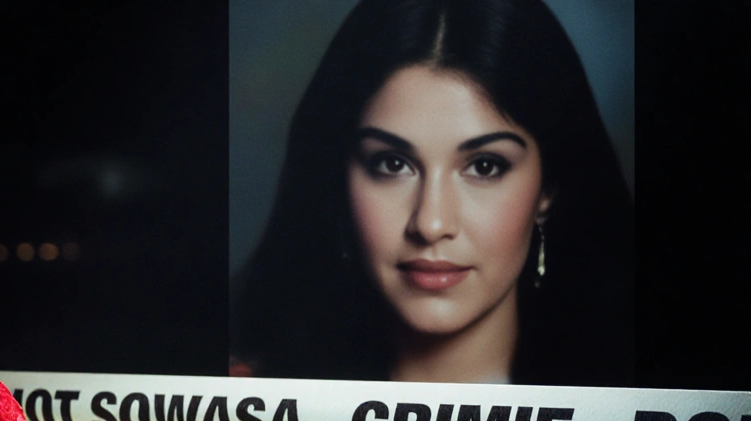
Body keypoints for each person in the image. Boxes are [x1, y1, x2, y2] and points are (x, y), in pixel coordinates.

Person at [229, 0, 634, 385]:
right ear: (341, 176)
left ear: (549, 188)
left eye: (484, 166)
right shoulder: (249, 403)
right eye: (391, 164)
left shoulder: (633, 420)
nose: (431, 223)